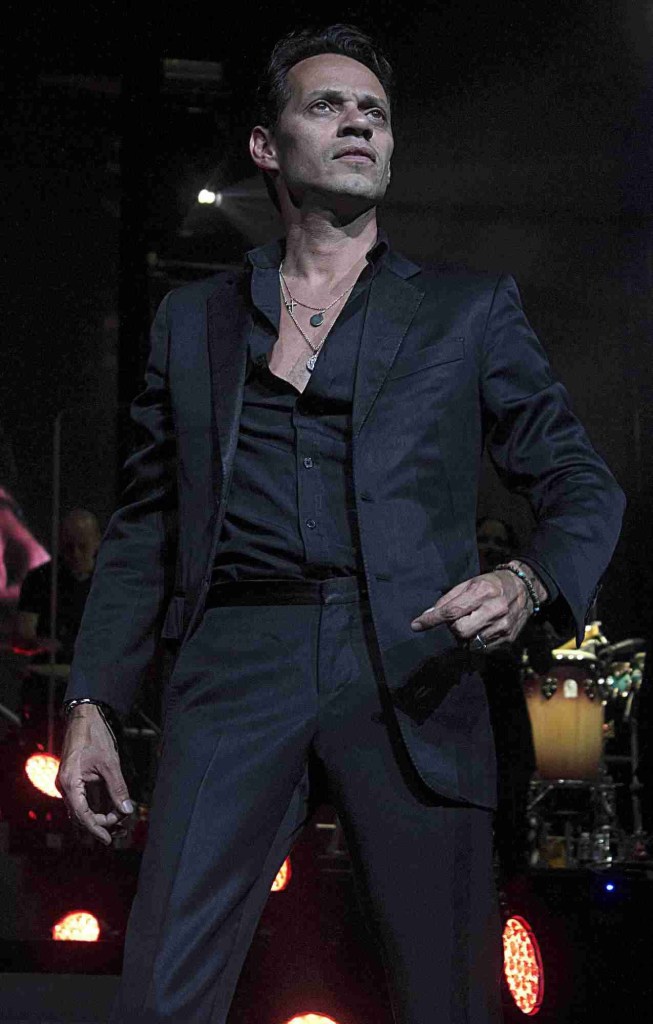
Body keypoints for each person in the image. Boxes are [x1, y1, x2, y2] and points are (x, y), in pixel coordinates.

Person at [56, 25, 625, 1024]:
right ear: (266, 146)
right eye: (327, 105)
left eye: (375, 113)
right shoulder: (194, 322)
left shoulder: (466, 311)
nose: (359, 123)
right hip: (236, 663)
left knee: (447, 995)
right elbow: (146, 527)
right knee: (161, 991)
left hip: (412, 659)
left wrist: (526, 579)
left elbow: (581, 482)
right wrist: (93, 698)